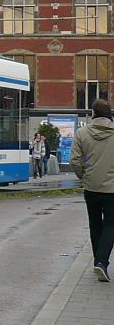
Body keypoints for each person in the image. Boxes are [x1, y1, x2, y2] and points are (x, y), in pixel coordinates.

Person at [70, 99, 114, 282]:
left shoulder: (82, 133)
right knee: (110, 224)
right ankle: (101, 262)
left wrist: (83, 176)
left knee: (95, 224)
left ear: (93, 113)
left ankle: (98, 260)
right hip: (112, 189)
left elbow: (75, 160)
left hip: (91, 188)